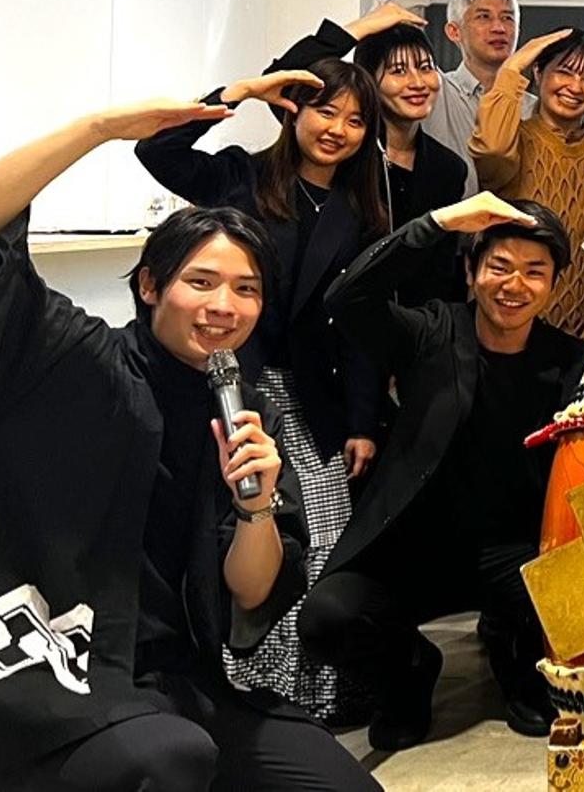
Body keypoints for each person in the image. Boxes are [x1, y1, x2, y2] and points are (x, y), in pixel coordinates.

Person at [0, 101, 380, 792]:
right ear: (150, 285)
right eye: (200, 282)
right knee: (172, 757)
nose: (224, 307)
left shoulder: (247, 409)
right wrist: (97, 130)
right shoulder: (69, 361)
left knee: (338, 783)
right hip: (47, 668)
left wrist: (258, 507)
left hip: (179, 679)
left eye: (246, 289)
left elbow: (253, 591)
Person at [136, 40, 394, 721]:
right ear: (293, 111)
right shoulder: (239, 177)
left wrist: (363, 420)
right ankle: (246, 683)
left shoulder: (361, 210)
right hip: (227, 382)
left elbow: (360, 326)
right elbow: (157, 150)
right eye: (325, 111)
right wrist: (243, 91)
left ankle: (317, 690)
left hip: (315, 398)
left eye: (356, 120)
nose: (337, 129)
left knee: (321, 538)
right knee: (241, 529)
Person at [300, 193, 584, 749]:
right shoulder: (430, 332)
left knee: (573, 594)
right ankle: (411, 671)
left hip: (512, 550)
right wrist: (438, 221)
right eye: (499, 266)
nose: (514, 285)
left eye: (535, 272)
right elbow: (346, 297)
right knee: (327, 619)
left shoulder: (575, 361)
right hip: (417, 547)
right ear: (471, 271)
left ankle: (513, 652)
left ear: (554, 285)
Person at [470, 27, 584, 338]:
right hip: (497, 326)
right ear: (538, 72)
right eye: (564, 72)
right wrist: (512, 67)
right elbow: (491, 150)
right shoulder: (512, 143)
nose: (575, 87)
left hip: (575, 340)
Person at [380, 0, 529, 193]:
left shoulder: (532, 108)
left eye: (508, 18)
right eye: (484, 17)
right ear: (454, 32)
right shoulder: (435, 92)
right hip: (444, 215)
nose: (499, 27)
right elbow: (387, 19)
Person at [350, 22, 468, 303]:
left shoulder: (448, 169)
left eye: (426, 68)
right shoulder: (347, 153)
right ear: (368, 80)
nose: (418, 83)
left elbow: (441, 273)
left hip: (416, 324)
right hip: (341, 317)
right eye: (398, 71)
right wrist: (361, 27)